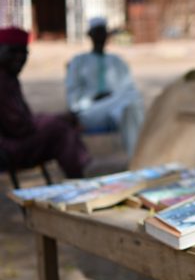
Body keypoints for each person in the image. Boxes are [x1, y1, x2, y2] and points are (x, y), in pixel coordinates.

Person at [0, 26, 91, 178]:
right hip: (6, 150)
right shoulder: (2, 80)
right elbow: (19, 127)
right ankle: (79, 178)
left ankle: (78, 176)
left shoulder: (9, 78)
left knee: (60, 127)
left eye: (24, 53)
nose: (20, 58)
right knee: (60, 130)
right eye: (13, 51)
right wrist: (56, 119)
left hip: (11, 144)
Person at [65, 17, 144, 156]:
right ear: (90, 35)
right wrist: (93, 98)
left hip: (116, 109)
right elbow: (73, 97)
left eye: (103, 32)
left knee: (130, 106)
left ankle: (136, 156)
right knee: (130, 103)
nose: (101, 36)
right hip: (90, 110)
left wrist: (113, 97)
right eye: (97, 32)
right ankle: (139, 156)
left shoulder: (117, 61)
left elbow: (128, 87)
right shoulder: (79, 61)